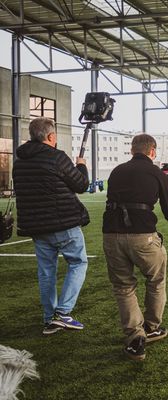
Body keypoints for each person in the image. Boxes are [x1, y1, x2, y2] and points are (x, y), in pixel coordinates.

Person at [102, 133, 168, 361]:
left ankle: (135, 338)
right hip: (142, 236)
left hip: (111, 235)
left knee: (123, 286)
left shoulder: (117, 171)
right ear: (152, 151)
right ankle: (152, 327)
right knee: (156, 281)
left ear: (132, 150)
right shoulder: (155, 172)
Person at [12, 117, 90, 335]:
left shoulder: (19, 162)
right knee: (78, 263)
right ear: (51, 136)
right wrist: (82, 166)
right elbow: (82, 185)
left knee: (46, 272)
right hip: (63, 223)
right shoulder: (57, 157)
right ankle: (63, 312)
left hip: (37, 227)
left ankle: (50, 319)